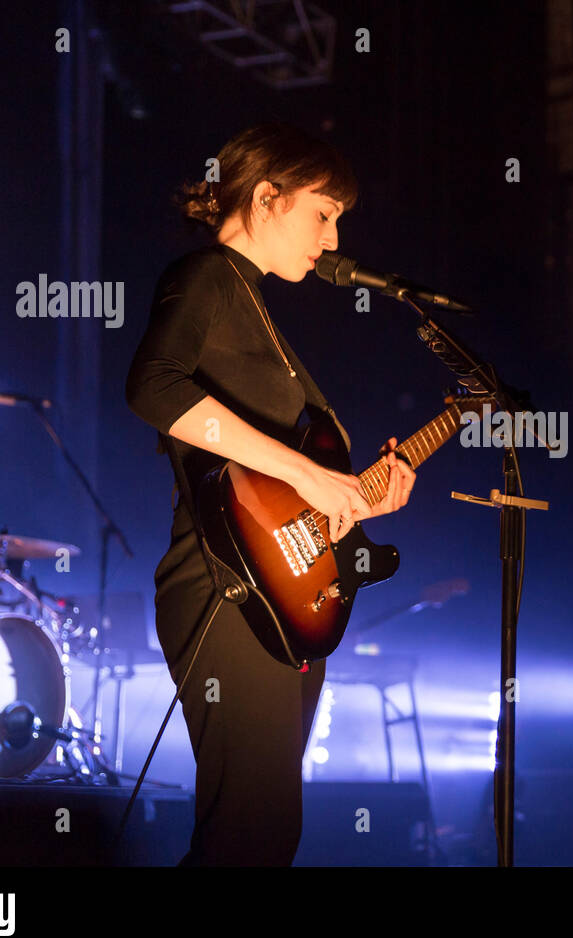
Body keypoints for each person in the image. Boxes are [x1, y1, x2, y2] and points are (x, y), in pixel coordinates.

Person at [125, 123, 415, 865]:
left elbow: (276, 489)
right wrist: (305, 471)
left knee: (266, 831)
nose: (334, 233)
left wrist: (353, 498)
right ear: (265, 197)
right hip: (225, 590)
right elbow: (153, 386)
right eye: (324, 212)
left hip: (282, 593)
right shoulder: (205, 277)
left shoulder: (256, 312)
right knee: (246, 829)